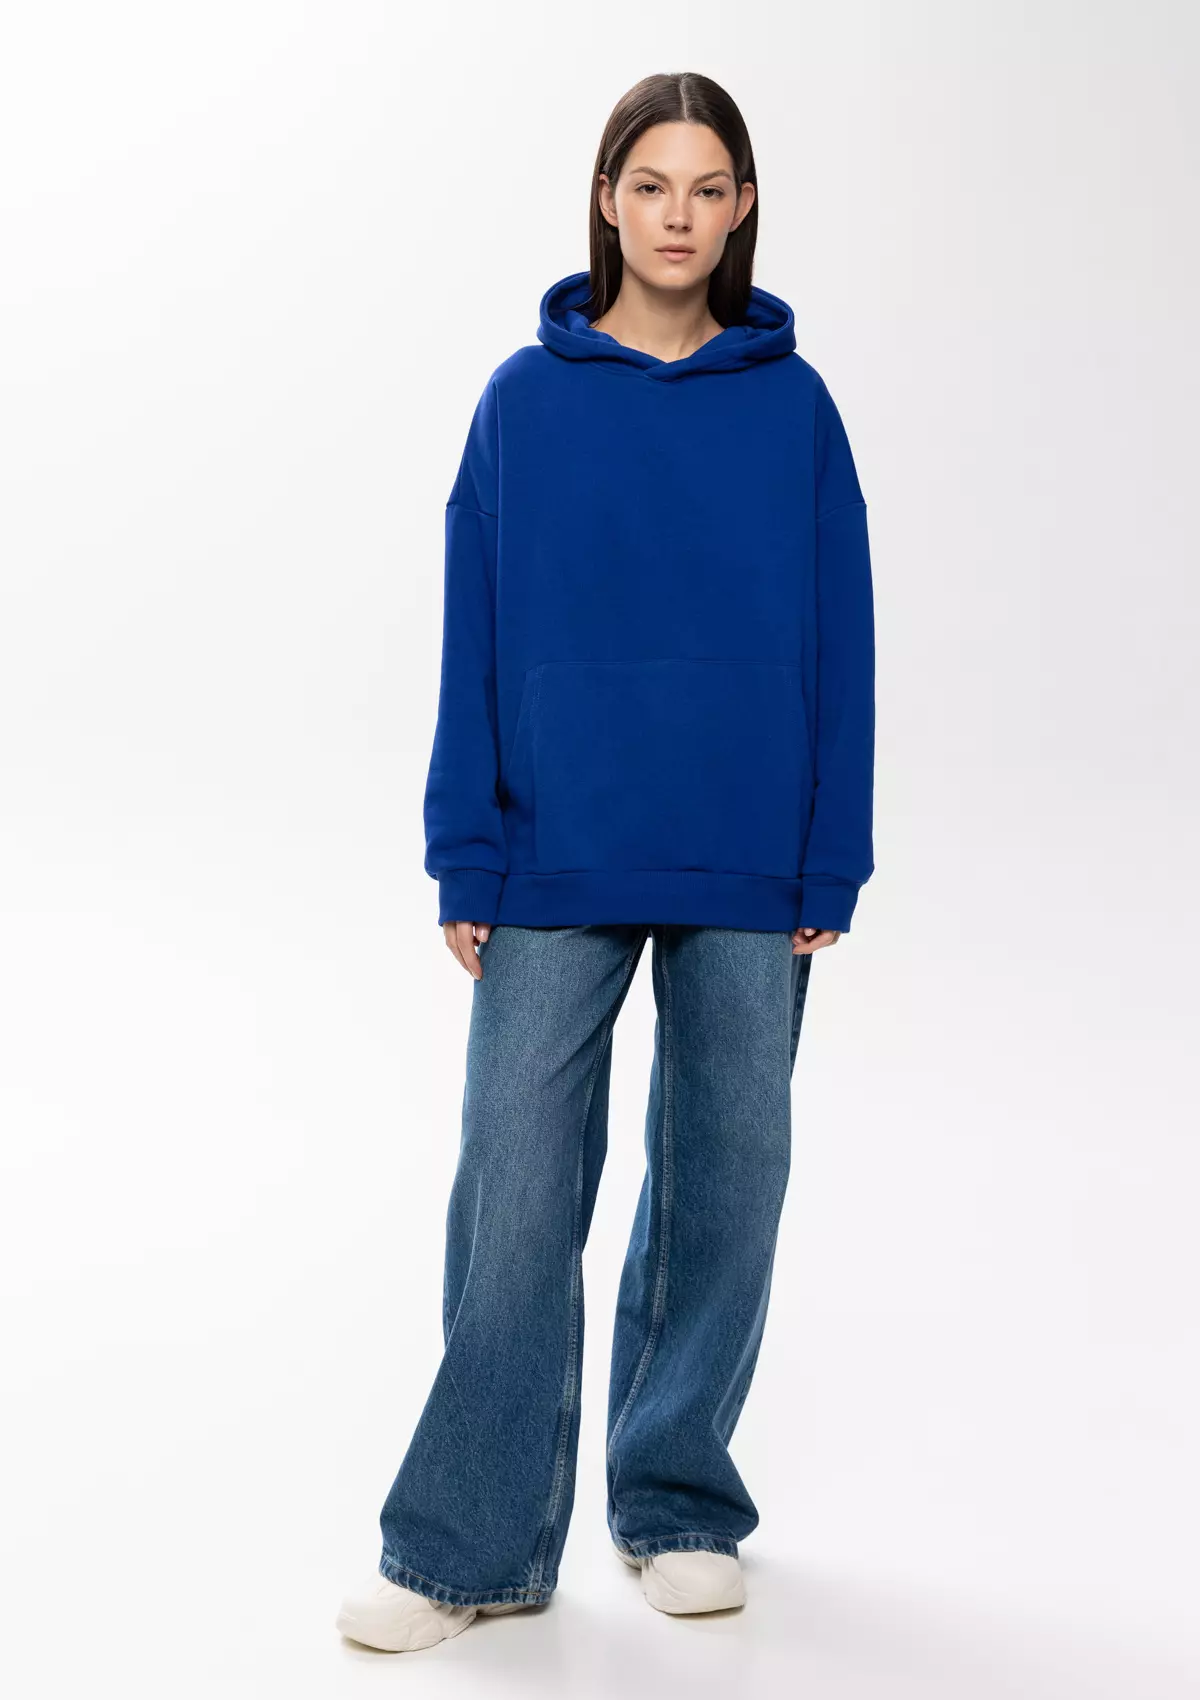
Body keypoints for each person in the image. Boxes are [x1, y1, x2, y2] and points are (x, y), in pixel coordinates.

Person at [335, 69, 875, 1654]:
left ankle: (676, 1497)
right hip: (553, 846)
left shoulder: (795, 406)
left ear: (744, 207)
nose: (678, 217)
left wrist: (829, 858)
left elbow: (842, 636)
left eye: (708, 189)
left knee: (727, 1183)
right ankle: (470, 1545)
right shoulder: (525, 399)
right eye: (652, 186)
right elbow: (474, 628)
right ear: (606, 199)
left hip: (749, 854)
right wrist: (464, 850)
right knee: (515, 1190)